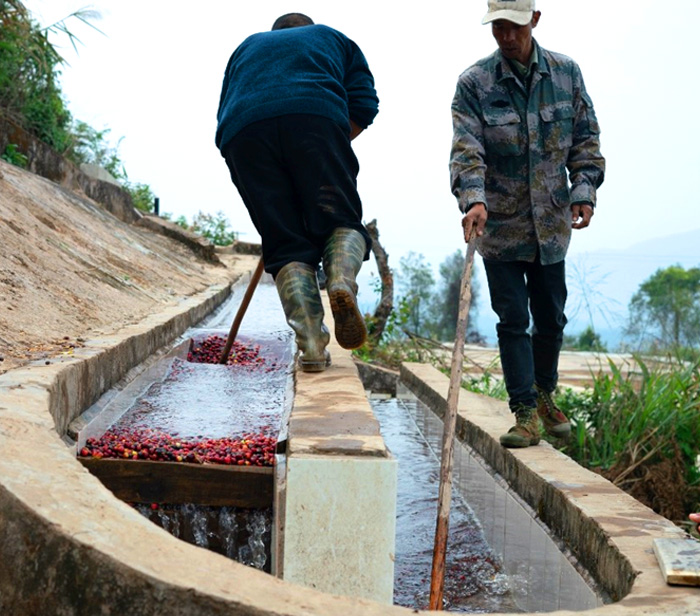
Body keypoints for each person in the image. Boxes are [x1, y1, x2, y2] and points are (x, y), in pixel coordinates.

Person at [450, 0, 605, 448]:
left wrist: (584, 192)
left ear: (534, 21)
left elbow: (586, 139)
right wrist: (473, 199)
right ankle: (523, 413)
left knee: (551, 318)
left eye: (514, 26)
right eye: (498, 27)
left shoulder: (565, 74)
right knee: (513, 318)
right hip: (497, 227)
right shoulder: (474, 83)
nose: (506, 37)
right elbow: (466, 151)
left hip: (551, 227)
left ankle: (544, 395)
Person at [216, 13, 378, 372]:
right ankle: (339, 280)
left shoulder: (246, 48)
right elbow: (365, 103)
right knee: (341, 222)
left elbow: (227, 109)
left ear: (275, 35)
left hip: (243, 135)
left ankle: (312, 350)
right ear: (307, 29)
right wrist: (320, 154)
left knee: (286, 245)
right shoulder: (332, 37)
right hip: (314, 118)